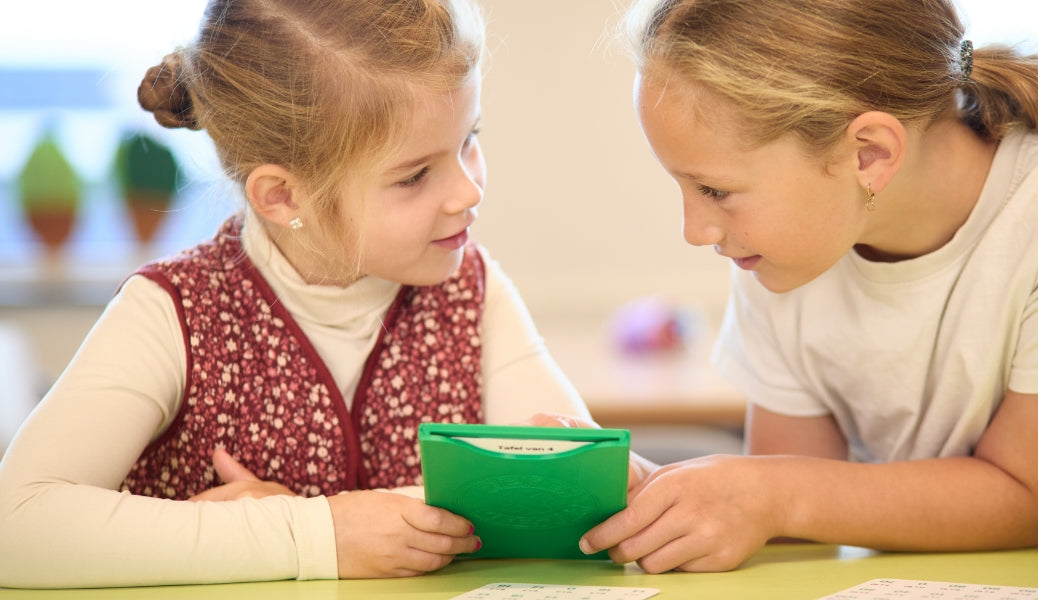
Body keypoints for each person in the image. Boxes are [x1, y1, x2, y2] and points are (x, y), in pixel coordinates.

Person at [579, 0, 1038, 574]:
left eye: (714, 190)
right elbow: (795, 513)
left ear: (870, 154)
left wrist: (764, 490)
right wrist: (669, 497)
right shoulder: (782, 251)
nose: (696, 230)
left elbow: (1024, 497)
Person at [0, 0, 599, 588]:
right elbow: (17, 527)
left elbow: (583, 512)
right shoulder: (173, 311)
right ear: (283, 197)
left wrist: (566, 486)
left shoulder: (474, 291)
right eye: (415, 175)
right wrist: (309, 533)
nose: (468, 191)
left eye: (470, 137)